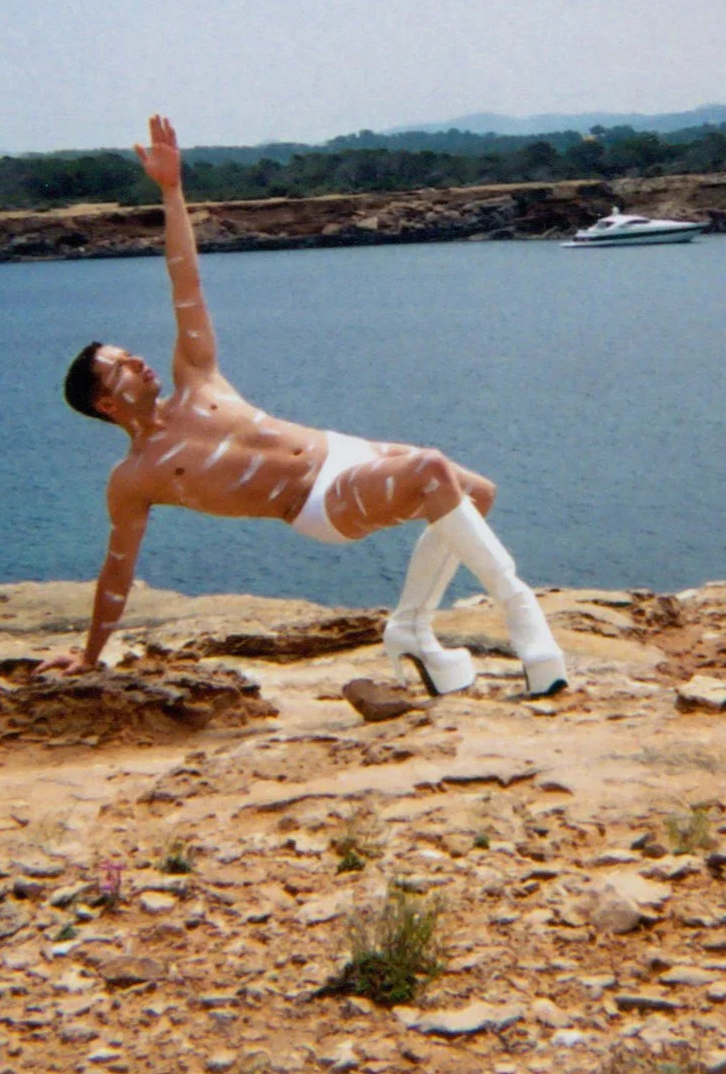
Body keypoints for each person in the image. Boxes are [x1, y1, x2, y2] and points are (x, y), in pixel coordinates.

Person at [38, 115, 568, 698]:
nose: (138, 362)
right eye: (121, 367)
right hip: (316, 501)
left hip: (345, 450)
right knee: (432, 471)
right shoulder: (135, 478)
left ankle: (411, 628)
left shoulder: (195, 378)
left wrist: (172, 190)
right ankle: (527, 626)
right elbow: (117, 570)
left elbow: (184, 280)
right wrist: (89, 655)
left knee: (478, 494)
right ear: (108, 404)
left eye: (131, 353)